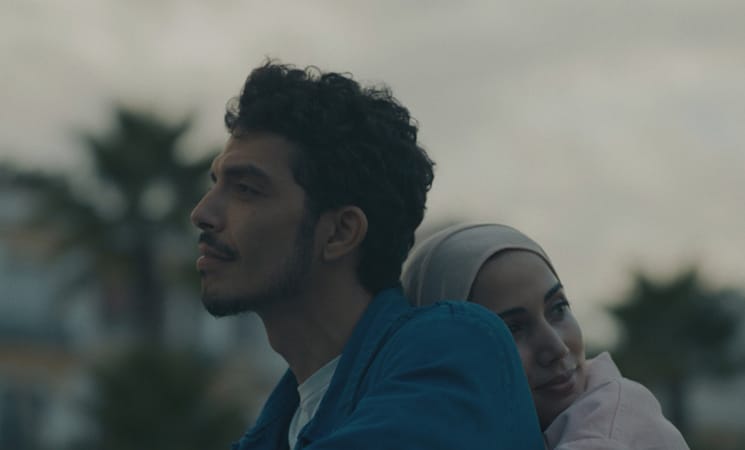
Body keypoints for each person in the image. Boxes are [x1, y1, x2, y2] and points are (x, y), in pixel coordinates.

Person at [190, 62, 544, 450]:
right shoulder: (270, 434)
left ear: (340, 232)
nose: (202, 213)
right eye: (216, 184)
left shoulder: (458, 351)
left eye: (245, 189)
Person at [402, 223, 690, 449]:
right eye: (512, 329)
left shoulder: (606, 431)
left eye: (558, 308)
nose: (557, 347)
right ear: (448, 355)